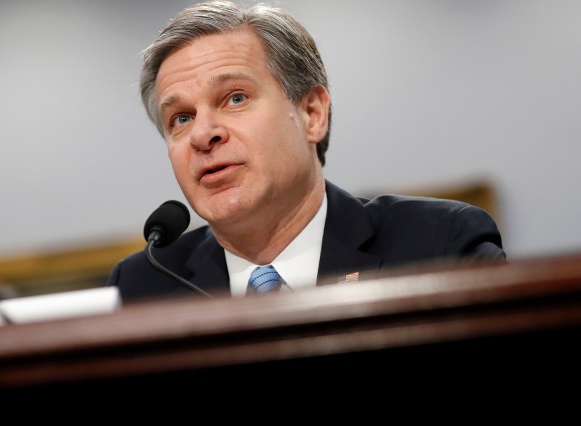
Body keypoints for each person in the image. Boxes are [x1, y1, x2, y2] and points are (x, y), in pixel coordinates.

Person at [107, 0, 505, 302]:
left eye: (235, 98)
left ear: (312, 113)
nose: (202, 134)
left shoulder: (439, 246)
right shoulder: (141, 288)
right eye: (180, 118)